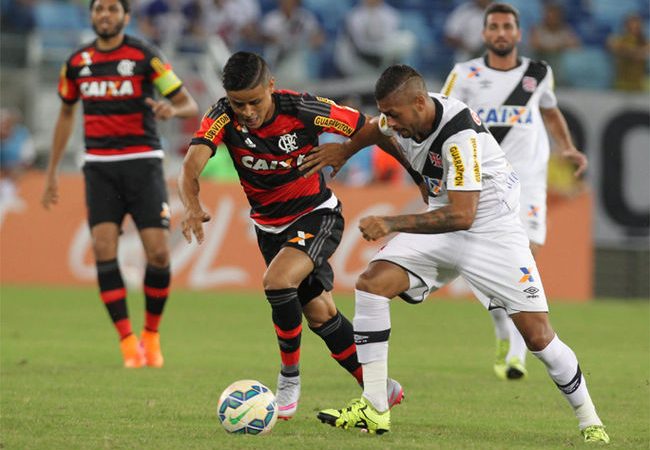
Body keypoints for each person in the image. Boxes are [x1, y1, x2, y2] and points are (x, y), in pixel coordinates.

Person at [302, 64, 609, 443]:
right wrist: (347, 150)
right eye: (387, 113)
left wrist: (393, 223)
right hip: (442, 222)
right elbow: (373, 128)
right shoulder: (404, 116)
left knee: (538, 338)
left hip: (492, 232)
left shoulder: (457, 135)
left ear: (418, 102)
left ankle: (590, 420)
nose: (390, 122)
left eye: (395, 114)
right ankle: (375, 407)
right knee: (371, 285)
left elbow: (464, 215)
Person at [177, 51, 408, 420]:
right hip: (269, 228)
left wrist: (354, 152)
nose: (248, 112)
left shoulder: (301, 108)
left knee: (277, 281)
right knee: (319, 314)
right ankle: (380, 387)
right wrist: (191, 205)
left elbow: (372, 126)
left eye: (255, 101)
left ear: (271, 86)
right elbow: (190, 166)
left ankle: (288, 378)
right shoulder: (221, 115)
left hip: (317, 215)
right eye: (240, 104)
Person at [41, 0, 199, 368]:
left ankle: (151, 335)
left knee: (158, 252)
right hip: (99, 166)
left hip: (142, 163)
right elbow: (66, 115)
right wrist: (50, 173)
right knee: (102, 247)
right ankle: (128, 342)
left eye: (113, 9)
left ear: (126, 17)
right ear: (92, 16)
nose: (105, 15)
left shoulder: (145, 56)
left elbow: (187, 102)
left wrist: (171, 110)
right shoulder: (76, 63)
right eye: (99, 9)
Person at [440, 3, 588, 381]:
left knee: (525, 258)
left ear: (518, 33)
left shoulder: (539, 73)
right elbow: (442, 118)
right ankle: (506, 333)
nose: (501, 33)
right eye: (494, 27)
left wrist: (566, 147)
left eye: (508, 26)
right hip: (485, 182)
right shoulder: (465, 74)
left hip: (529, 182)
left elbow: (550, 111)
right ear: (485, 34)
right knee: (486, 261)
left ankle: (516, 346)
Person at [334, 0, 416, 78]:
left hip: (385, 59)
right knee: (343, 46)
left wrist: (383, 52)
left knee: (407, 38)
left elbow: (391, 42)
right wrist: (377, 54)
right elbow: (360, 47)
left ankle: (394, 73)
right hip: (361, 62)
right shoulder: (353, 16)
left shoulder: (392, 15)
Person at [529, 3, 581, 86]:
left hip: (559, 65)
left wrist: (555, 47)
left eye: (555, 16)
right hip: (542, 61)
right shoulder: (537, 29)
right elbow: (535, 44)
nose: (552, 18)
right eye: (550, 15)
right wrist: (556, 46)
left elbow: (576, 45)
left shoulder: (565, 30)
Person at [0, 108, 35, 207]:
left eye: (5, 123)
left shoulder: (22, 135)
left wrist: (15, 167)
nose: (2, 127)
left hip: (17, 170)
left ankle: (9, 194)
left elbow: (28, 158)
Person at [607, 13, 650, 92]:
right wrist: (634, 52)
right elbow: (613, 45)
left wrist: (629, 51)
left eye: (637, 27)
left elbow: (645, 51)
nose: (633, 29)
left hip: (638, 85)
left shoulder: (645, 42)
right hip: (621, 84)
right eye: (630, 26)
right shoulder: (619, 39)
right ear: (625, 26)